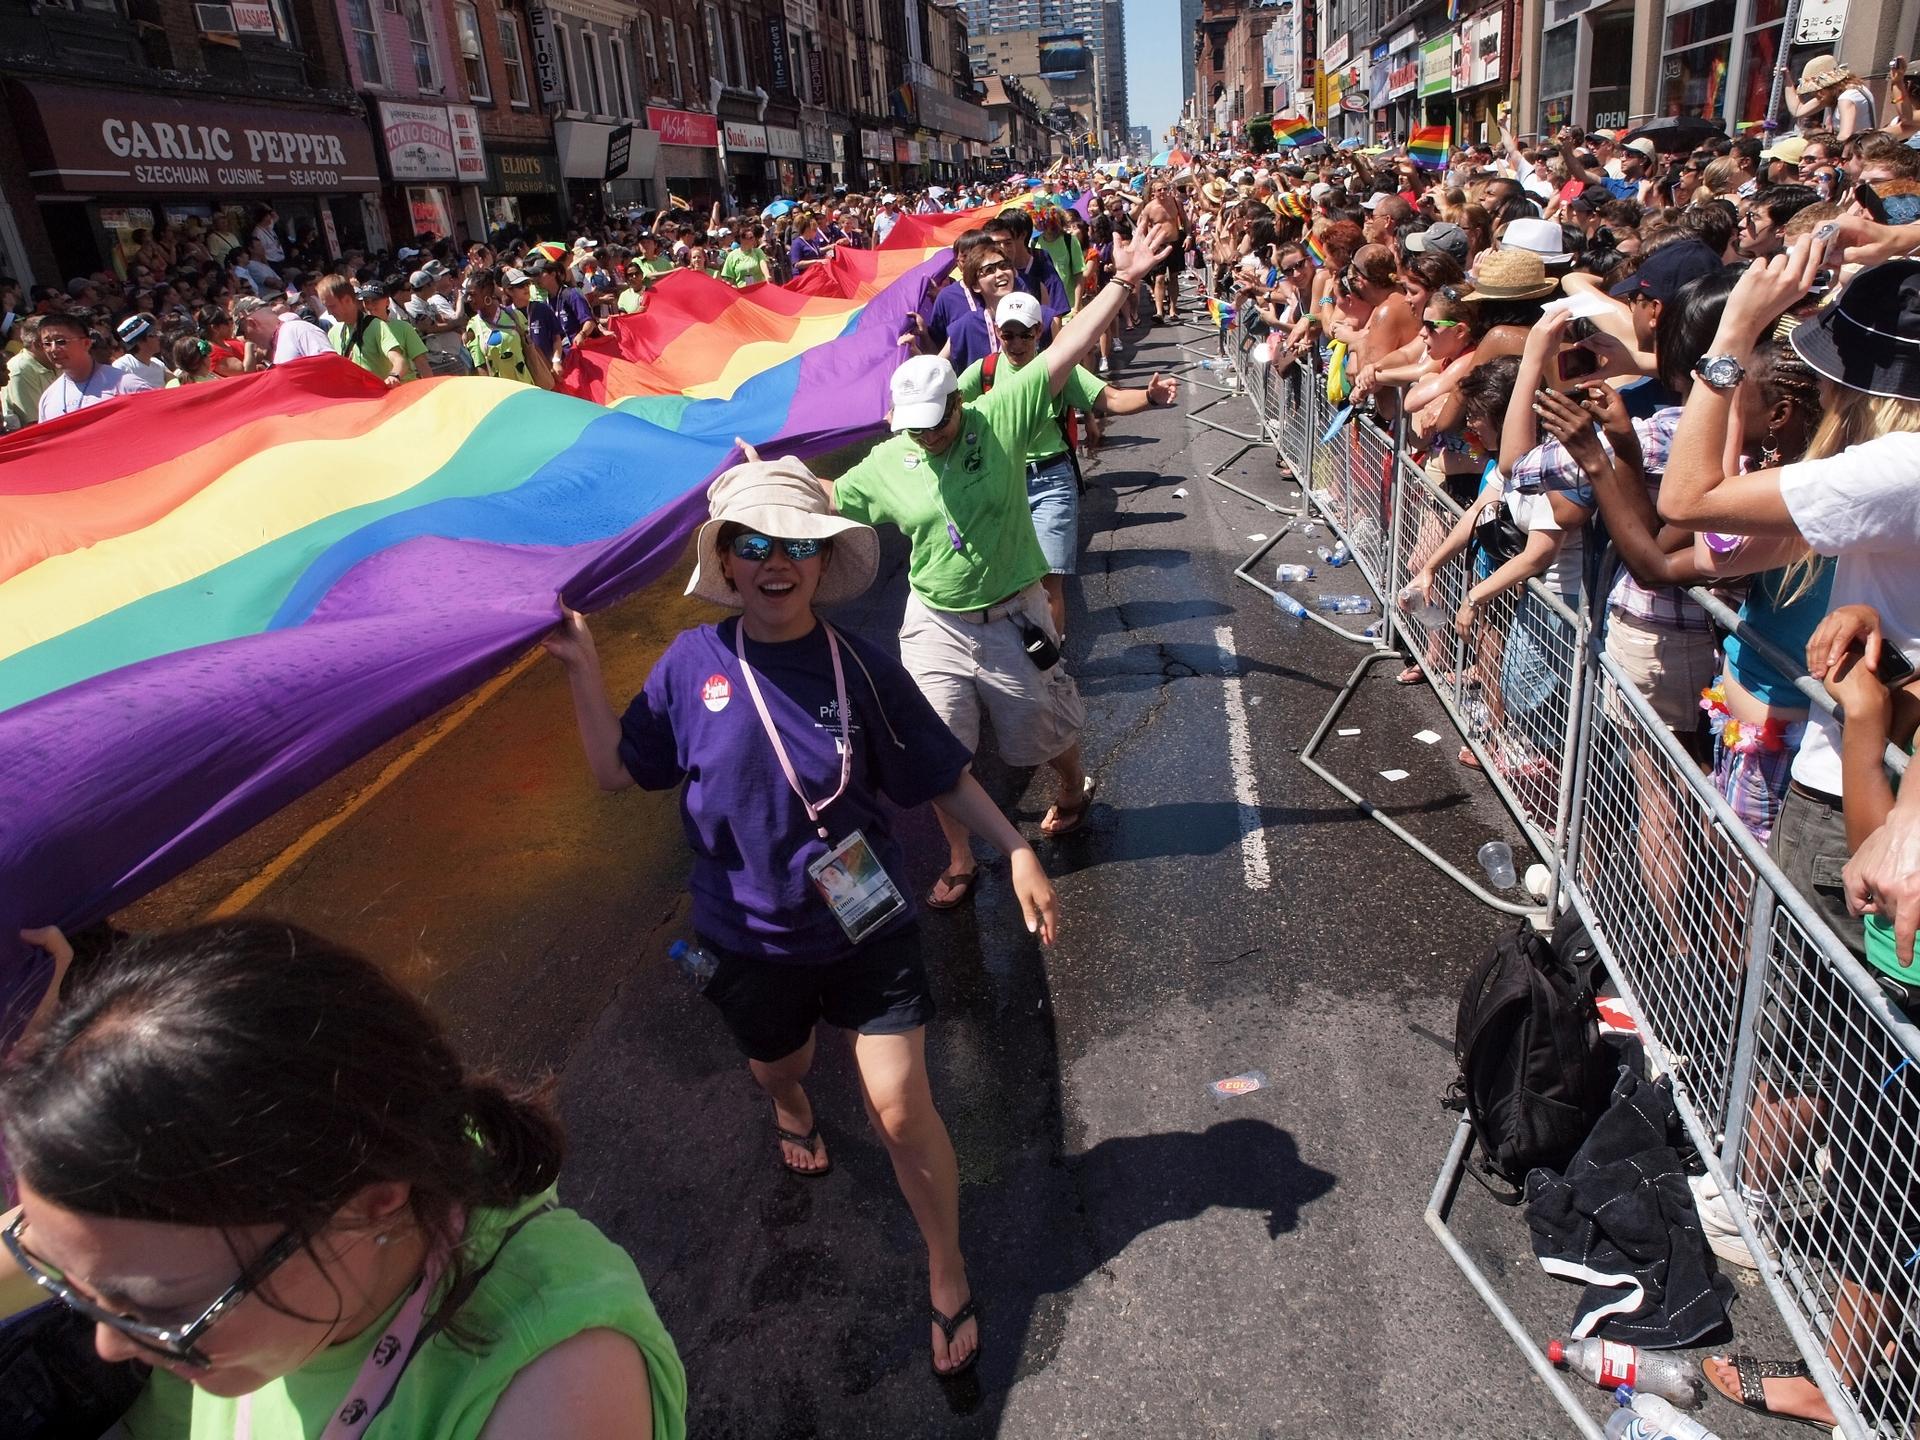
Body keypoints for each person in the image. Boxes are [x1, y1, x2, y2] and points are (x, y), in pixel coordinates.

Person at [546, 457, 1059, 1378]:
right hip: (749, 939)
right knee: (776, 1061)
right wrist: (584, 671)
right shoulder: (687, 666)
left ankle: (947, 1267)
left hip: (866, 924)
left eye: (797, 545)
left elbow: (941, 770)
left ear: (823, 561)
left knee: (902, 1105)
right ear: (728, 563)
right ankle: (790, 1104)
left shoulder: (861, 664)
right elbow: (618, 771)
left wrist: (1013, 846)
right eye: (754, 546)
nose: (775, 562)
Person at [0, 920, 688, 1438]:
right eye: (57, 1273)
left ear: (373, 1202)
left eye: (157, 1309)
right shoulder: (136, 1239)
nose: (109, 1343)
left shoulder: (555, 1391)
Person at [820, 226, 1170, 905]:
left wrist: (1124, 282)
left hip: (1013, 615)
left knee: (1044, 730)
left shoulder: (998, 414)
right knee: (935, 746)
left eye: (938, 420)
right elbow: (833, 498)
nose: (929, 435)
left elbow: (1067, 350)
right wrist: (763, 485)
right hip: (934, 624)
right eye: (916, 427)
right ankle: (958, 857)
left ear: (958, 399)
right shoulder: (891, 459)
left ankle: (1072, 786)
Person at [954, 291, 1179, 639]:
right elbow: (949, 410)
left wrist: (1149, 397)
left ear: (1039, 331)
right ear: (998, 332)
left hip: (1051, 484)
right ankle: (1017, 657)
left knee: (1048, 582)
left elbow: (1112, 398)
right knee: (1006, 580)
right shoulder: (983, 371)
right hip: (1002, 483)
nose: (1015, 343)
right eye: (1007, 334)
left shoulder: (1056, 369)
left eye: (1024, 333)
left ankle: (1052, 666)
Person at [36, 312, 151, 421]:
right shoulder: (49, 398)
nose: (53, 349)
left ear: (86, 343)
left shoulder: (127, 385)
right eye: (47, 343)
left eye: (61, 341)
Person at [319, 275, 408, 387]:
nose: (329, 312)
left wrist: (394, 377)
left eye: (332, 306)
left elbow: (400, 361)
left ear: (347, 300)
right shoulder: (333, 333)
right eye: (326, 307)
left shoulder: (376, 326)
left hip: (379, 399)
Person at [462, 268, 541, 385]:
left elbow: (531, 349)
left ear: (487, 294)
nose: (468, 299)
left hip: (526, 386)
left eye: (473, 294)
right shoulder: (473, 326)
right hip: (502, 391)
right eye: (467, 295)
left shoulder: (515, 316)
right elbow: (480, 365)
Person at [232, 295, 331, 368]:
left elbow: (331, 364)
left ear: (252, 324)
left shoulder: (298, 329)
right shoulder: (276, 346)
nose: (245, 339)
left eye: (244, 333)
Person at [3, 314, 53, 430]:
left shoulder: (55, 362)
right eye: (51, 342)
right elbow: (34, 425)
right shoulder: (20, 370)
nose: (59, 347)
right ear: (36, 345)